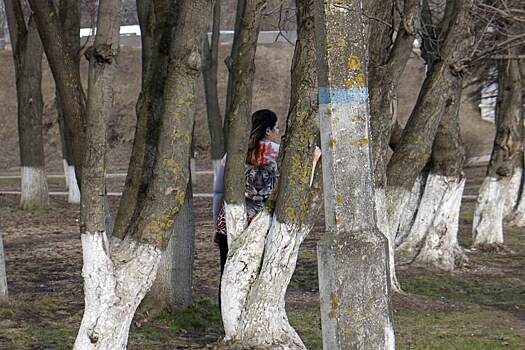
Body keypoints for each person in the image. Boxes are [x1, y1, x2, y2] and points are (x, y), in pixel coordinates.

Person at [212, 109, 280, 276]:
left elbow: (218, 191)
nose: (278, 132)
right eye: (276, 128)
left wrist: (217, 225)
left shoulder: (234, 154)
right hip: (265, 225)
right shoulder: (280, 153)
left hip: (231, 223)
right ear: (268, 130)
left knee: (229, 275)